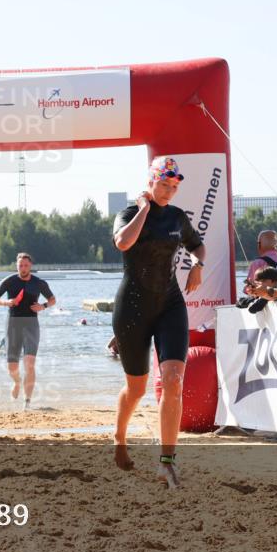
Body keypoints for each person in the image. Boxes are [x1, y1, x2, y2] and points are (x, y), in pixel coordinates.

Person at [111, 156, 205, 487]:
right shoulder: (129, 213)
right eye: (164, 185)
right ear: (151, 182)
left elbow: (198, 246)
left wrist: (196, 264)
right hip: (133, 308)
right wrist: (144, 210)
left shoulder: (178, 218)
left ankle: (167, 462)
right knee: (136, 388)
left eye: (174, 187)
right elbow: (123, 242)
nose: (169, 192)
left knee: (174, 380)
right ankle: (120, 435)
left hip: (170, 304)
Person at [0, 253, 56, 408]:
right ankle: (17, 382)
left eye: (26, 265)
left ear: (30, 266)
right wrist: (6, 302)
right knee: (12, 367)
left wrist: (43, 306)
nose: (23, 268)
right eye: (20, 265)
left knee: (30, 363)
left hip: (32, 324)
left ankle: (27, 403)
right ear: (17, 266)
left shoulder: (39, 283)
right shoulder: (10, 281)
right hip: (13, 324)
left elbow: (52, 299)